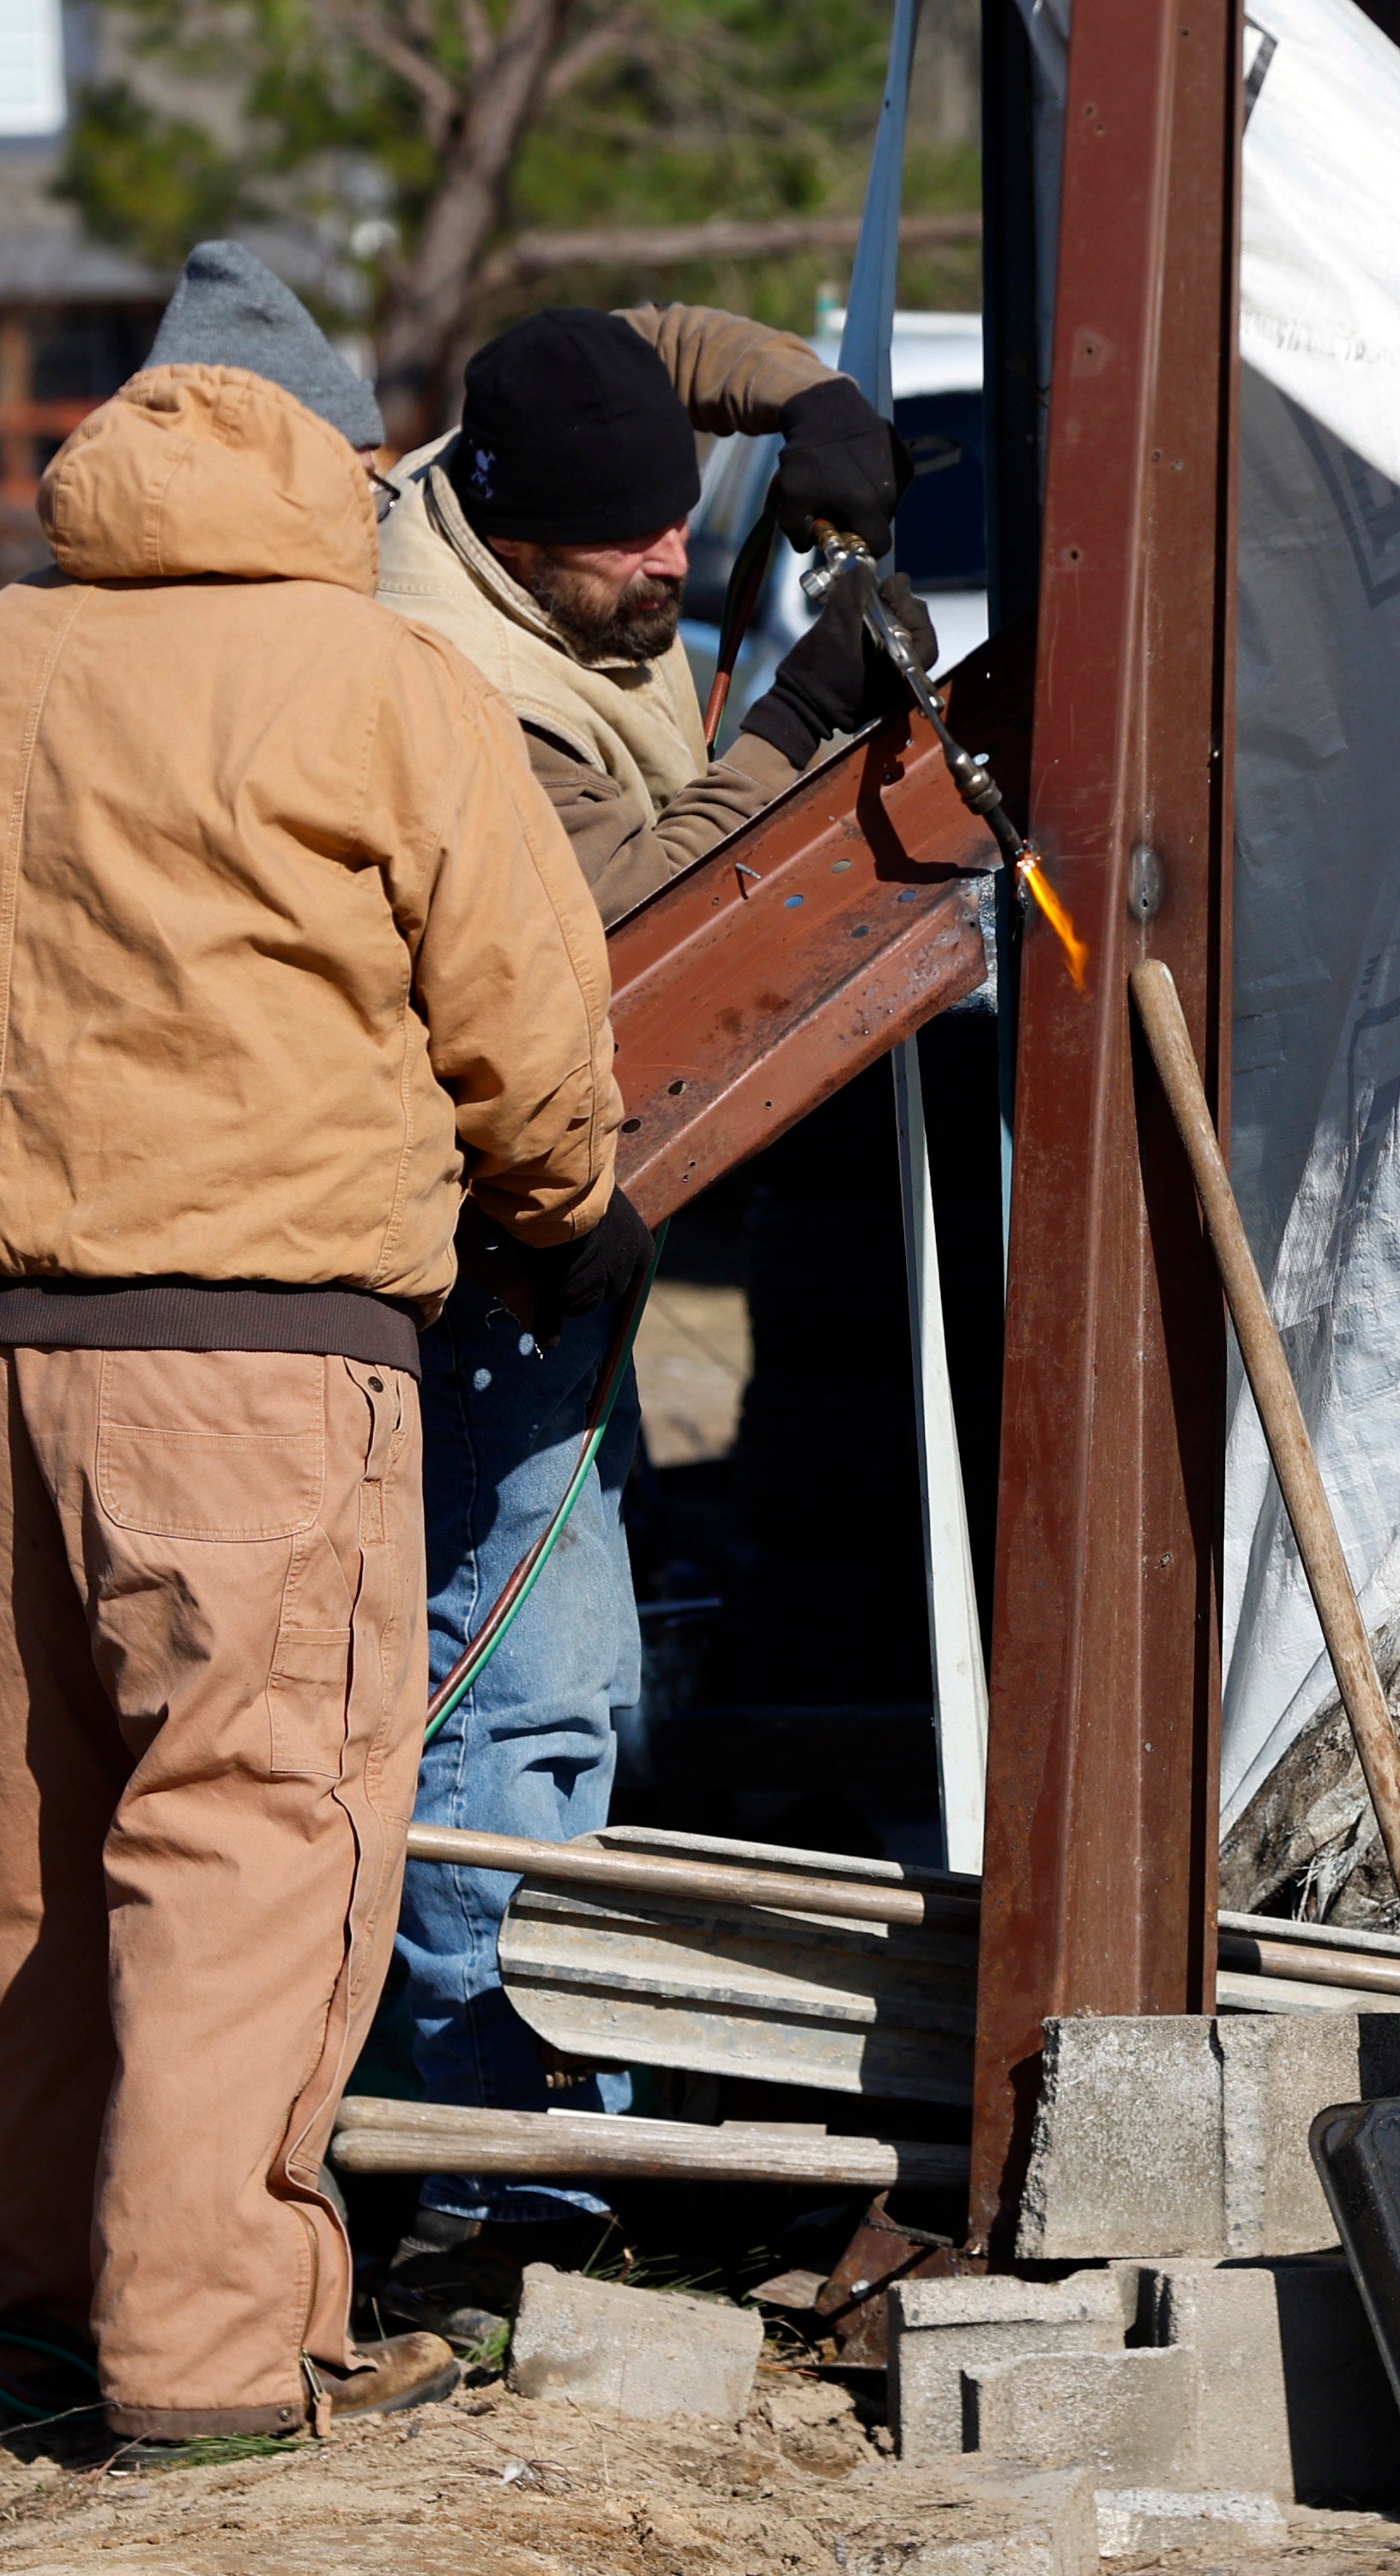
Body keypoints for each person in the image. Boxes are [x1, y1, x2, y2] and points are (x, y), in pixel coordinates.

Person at [0, 243, 635, 2443]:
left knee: (28, 1848)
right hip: (257, 1354)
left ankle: (33, 2318)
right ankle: (206, 2365)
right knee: (249, 1844)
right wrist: (570, 1209)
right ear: (334, 459)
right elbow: (524, 1017)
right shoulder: (380, 682)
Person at [365, 304, 935, 2298]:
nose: (676, 564)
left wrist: (815, 406)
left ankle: (525, 2138)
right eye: (632, 555)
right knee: (519, 1704)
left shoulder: (521, 503)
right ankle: (509, 2179)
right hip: (483, 1244)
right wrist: (794, 716)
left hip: (539, 1233)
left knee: (542, 1683)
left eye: (688, 525)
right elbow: (630, 928)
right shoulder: (462, 688)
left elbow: (658, 339)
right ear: (513, 547)